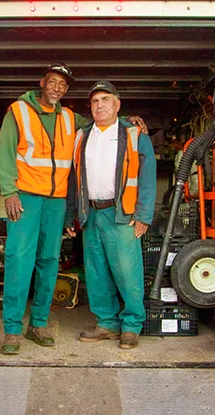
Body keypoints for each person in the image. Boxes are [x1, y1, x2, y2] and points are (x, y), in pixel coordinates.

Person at [0, 64, 146, 355]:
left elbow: (104, 121)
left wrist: (127, 119)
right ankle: (12, 329)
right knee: (18, 261)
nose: (57, 88)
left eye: (63, 85)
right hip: (25, 198)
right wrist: (9, 192)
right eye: (52, 82)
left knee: (49, 261)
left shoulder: (70, 118)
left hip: (55, 201)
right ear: (42, 83)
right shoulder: (18, 111)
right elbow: (6, 151)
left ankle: (38, 324)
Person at [66, 81, 157, 349]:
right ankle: (106, 323)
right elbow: (74, 178)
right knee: (96, 272)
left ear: (117, 105)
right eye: (95, 101)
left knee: (127, 272)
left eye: (106, 99)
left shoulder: (134, 134)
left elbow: (148, 177)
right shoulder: (81, 136)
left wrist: (143, 215)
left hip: (122, 215)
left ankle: (131, 325)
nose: (100, 105)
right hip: (91, 214)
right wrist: (72, 214)